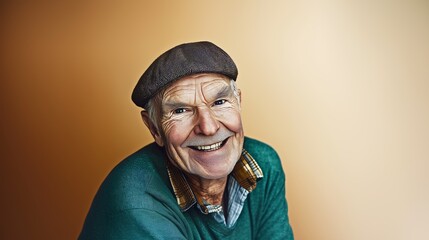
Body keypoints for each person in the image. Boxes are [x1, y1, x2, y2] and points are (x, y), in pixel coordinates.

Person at [79, 41, 294, 239]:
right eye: (180, 110)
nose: (208, 128)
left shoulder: (264, 166)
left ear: (239, 102)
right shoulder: (136, 201)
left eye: (219, 102)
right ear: (154, 128)